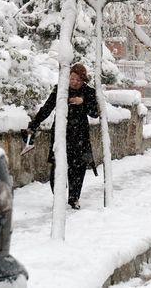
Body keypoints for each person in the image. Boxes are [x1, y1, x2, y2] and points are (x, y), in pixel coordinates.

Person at [25, 63, 99, 209]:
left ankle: (74, 198)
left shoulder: (88, 92)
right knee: (56, 166)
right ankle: (59, 194)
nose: (74, 82)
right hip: (60, 133)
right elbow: (47, 108)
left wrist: (82, 102)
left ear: (83, 80)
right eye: (72, 78)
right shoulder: (60, 90)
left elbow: (95, 113)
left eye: (78, 80)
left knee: (78, 168)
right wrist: (34, 123)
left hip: (80, 135)